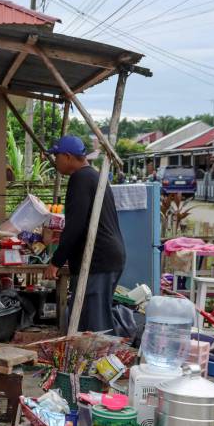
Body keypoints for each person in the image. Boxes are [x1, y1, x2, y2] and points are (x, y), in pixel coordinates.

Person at [46, 135, 125, 332]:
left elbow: (75, 226)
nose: (55, 161)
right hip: (107, 256)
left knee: (95, 325)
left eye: (57, 156)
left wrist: (56, 262)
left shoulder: (80, 179)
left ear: (67, 157)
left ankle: (102, 362)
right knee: (87, 319)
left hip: (98, 259)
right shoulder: (93, 176)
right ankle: (93, 361)